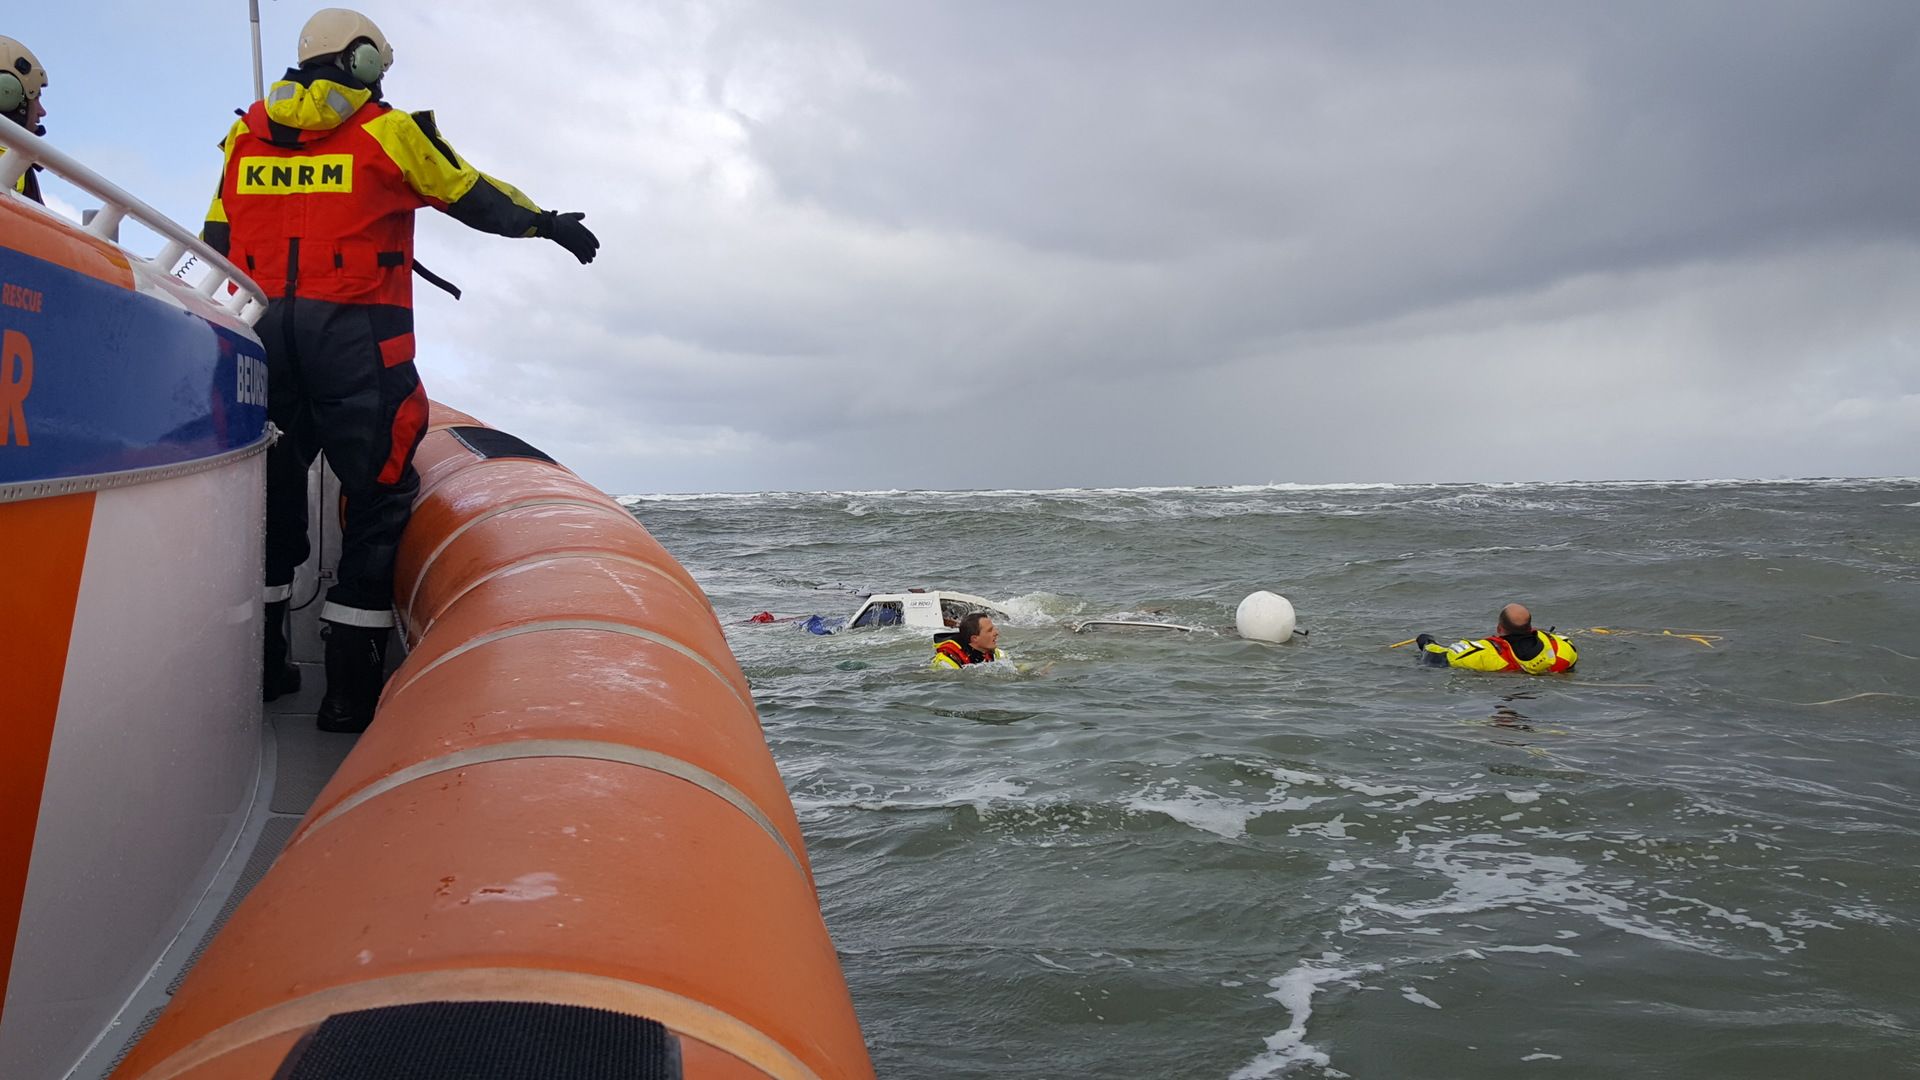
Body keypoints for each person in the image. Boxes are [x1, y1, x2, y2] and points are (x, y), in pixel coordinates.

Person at [204, 8, 601, 732]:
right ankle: (349, 695)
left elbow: (216, 237)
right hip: (358, 342)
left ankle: (264, 668)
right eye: (378, 65)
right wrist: (546, 222)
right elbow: (469, 191)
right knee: (380, 496)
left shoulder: (242, 136)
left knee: (273, 503)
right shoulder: (387, 132)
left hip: (264, 341)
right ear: (358, 61)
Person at [1416, 603, 1577, 674]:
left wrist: (1426, 641)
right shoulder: (1563, 648)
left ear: (1499, 628)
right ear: (1530, 627)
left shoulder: (1481, 656)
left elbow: (1434, 658)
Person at [0, 36, 49, 204]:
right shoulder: (13, 162)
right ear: (8, 93)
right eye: (35, 97)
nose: (42, 112)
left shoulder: (17, 161)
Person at [931, 611, 1007, 669]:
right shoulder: (946, 662)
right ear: (974, 638)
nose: (996, 633)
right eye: (990, 630)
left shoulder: (995, 653)